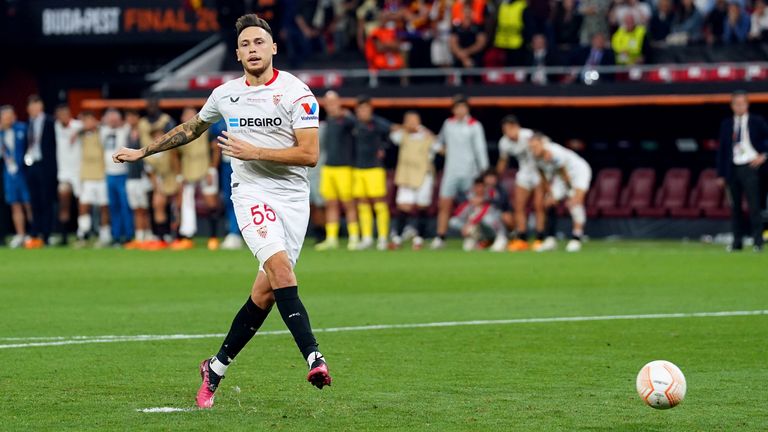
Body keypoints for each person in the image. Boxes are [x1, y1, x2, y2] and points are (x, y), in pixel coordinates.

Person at [112, 14, 332, 409]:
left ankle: (215, 368)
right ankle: (314, 357)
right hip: (250, 193)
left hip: (293, 199)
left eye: (259, 43)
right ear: (237, 52)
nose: (252, 49)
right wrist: (143, 151)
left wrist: (254, 150)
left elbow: (309, 155)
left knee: (265, 294)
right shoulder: (225, 94)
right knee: (282, 271)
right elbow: (193, 128)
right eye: (245, 44)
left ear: (273, 48)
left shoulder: (297, 94)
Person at [432, 94, 488, 249]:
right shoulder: (448, 124)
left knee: (473, 206)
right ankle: (440, 237)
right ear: (453, 109)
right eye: (457, 107)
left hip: (471, 173)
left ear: (467, 109)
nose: (460, 110)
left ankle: (473, 236)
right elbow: (438, 143)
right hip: (451, 172)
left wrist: (484, 173)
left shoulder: (474, 125)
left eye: (463, 107)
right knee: (444, 204)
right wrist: (440, 149)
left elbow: (480, 150)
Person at [716, 91, 768, 252]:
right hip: (733, 168)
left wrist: (764, 155)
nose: (739, 107)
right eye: (736, 104)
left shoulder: (757, 121)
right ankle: (737, 242)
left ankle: (757, 242)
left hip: (751, 167)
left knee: (754, 206)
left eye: (742, 103)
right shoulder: (726, 124)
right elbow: (722, 151)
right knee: (735, 207)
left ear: (747, 104)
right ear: (732, 106)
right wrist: (721, 174)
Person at [529, 133, 592, 252]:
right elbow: (543, 177)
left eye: (536, 146)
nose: (533, 149)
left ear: (542, 144)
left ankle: (576, 238)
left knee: (575, 203)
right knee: (548, 202)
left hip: (578, 172)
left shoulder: (554, 153)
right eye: (531, 147)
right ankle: (551, 239)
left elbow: (565, 174)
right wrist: (550, 194)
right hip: (560, 176)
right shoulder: (534, 157)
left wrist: (571, 193)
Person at [315, 90, 360, 251]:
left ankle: (354, 237)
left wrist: (346, 115)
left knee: (348, 204)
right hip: (329, 168)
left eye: (333, 102)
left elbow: (358, 128)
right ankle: (331, 238)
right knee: (330, 204)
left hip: (344, 168)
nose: (330, 106)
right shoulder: (328, 121)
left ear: (339, 103)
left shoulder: (347, 119)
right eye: (327, 103)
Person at [171, 106, 220, 251]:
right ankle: (187, 237)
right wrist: (179, 175)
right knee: (186, 204)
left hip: (206, 170)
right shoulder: (179, 133)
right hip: (187, 172)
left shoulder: (207, 129)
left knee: (211, 203)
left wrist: (212, 169)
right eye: (187, 115)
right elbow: (174, 155)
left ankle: (213, 238)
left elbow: (216, 149)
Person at [496, 116, 546, 252]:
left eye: (509, 129)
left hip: (538, 171)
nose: (507, 132)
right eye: (505, 129)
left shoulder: (528, 135)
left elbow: (543, 149)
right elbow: (503, 161)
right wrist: (496, 177)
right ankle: (522, 239)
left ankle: (539, 239)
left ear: (516, 127)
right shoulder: (504, 142)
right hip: (524, 172)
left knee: (539, 206)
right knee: (519, 206)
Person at [389, 110, 436, 250]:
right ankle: (397, 237)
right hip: (407, 174)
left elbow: (439, 148)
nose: (412, 123)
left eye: (414, 120)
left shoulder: (427, 135)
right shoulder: (401, 135)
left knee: (422, 206)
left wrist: (429, 135)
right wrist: (404, 128)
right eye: (409, 120)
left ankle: (418, 238)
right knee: (404, 206)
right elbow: (393, 135)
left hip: (423, 175)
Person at [351, 95, 393, 250]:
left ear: (370, 110)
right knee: (362, 204)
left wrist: (383, 147)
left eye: (366, 109)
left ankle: (382, 237)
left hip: (375, 168)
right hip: (358, 168)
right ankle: (367, 237)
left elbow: (392, 132)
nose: (363, 112)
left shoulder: (378, 124)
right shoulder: (353, 125)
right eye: (360, 109)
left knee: (379, 203)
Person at [138, 99, 177, 247]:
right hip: (152, 173)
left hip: (170, 174)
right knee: (155, 204)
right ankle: (158, 234)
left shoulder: (166, 121)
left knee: (174, 205)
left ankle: (174, 235)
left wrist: (178, 176)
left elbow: (175, 156)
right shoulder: (143, 125)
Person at [25, 95, 58, 248]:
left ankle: (46, 233)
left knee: (46, 201)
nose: (33, 109)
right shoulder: (28, 124)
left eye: (36, 105)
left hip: (46, 166)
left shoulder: (50, 122)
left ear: (41, 106)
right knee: (34, 200)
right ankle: (35, 232)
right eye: (31, 106)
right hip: (32, 165)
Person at [76, 111, 111, 248]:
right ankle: (83, 234)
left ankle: (105, 235)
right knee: (84, 206)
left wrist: (97, 125)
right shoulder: (81, 135)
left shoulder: (101, 134)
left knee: (103, 207)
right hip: (87, 177)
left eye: (90, 120)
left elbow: (106, 127)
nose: (87, 123)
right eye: (85, 121)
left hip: (101, 176)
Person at [101, 108, 134, 245]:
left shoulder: (125, 129)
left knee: (125, 205)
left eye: (115, 118)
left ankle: (128, 235)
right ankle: (116, 235)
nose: (113, 121)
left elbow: (133, 123)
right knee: (113, 206)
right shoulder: (103, 130)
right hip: (109, 174)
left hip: (123, 173)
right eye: (110, 118)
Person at [211, 118, 244, 250]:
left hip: (246, 162)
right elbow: (215, 142)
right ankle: (233, 233)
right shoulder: (219, 121)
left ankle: (237, 233)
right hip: (227, 164)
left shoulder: (247, 114)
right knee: (230, 199)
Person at [1, 105, 31, 248]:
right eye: (4, 117)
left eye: (9, 116)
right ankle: (20, 234)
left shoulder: (22, 129)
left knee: (28, 203)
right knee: (15, 205)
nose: (7, 119)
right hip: (9, 173)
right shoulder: (1, 134)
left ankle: (34, 232)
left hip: (23, 172)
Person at [449, 176, 506, 252]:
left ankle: (501, 238)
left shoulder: (490, 197)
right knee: (453, 221)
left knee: (487, 219)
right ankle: (477, 240)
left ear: (485, 187)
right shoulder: (470, 199)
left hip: (493, 230)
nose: (479, 189)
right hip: (477, 229)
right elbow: (458, 214)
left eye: (482, 186)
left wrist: (470, 223)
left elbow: (483, 214)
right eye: (477, 186)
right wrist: (464, 227)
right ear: (474, 188)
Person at [123, 110, 153, 249]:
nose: (130, 119)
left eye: (132, 116)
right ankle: (139, 235)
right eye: (128, 116)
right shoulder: (126, 133)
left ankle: (148, 235)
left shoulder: (143, 134)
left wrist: (149, 173)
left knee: (145, 208)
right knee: (136, 208)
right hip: (131, 177)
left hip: (143, 176)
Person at [54, 104, 83, 246]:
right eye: (60, 115)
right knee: (64, 203)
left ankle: (82, 233)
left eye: (65, 114)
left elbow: (93, 124)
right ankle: (64, 235)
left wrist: (78, 132)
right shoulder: (56, 127)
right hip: (64, 172)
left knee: (81, 204)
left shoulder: (78, 125)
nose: (63, 118)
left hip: (78, 172)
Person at [449, 4, 488, 69]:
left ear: (472, 13)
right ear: (461, 13)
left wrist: (466, 52)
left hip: (475, 57)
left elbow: (481, 43)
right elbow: (453, 42)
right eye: (465, 12)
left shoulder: (478, 26)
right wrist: (463, 57)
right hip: (460, 57)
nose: (467, 15)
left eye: (469, 12)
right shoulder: (457, 27)